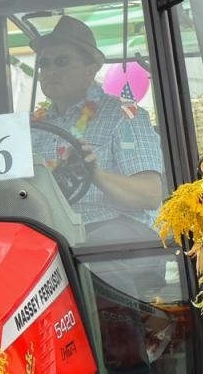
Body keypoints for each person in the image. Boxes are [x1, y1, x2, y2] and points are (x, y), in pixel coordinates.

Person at [29, 16, 163, 236]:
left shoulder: (125, 115)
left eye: (62, 61)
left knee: (104, 239)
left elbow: (150, 195)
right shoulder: (32, 126)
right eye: (44, 64)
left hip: (114, 229)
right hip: (48, 232)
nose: (50, 70)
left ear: (90, 70)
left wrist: (95, 174)